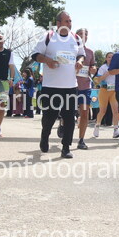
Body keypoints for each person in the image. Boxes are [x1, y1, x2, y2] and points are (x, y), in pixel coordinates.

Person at [31, 11, 86, 159]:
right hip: (51, 86)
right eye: (66, 21)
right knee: (49, 117)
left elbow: (81, 54)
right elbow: (35, 54)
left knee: (69, 118)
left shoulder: (76, 38)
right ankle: (45, 136)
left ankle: (66, 147)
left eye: (70, 21)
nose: (69, 24)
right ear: (58, 23)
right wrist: (47, 60)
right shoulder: (48, 37)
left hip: (70, 86)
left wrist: (80, 61)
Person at [75, 28, 97, 149]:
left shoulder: (90, 52)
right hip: (70, 86)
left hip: (85, 86)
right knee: (67, 112)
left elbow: (93, 66)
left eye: (86, 34)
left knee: (85, 112)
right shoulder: (70, 49)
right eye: (81, 34)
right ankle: (62, 123)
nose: (84, 36)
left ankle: (81, 140)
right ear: (76, 36)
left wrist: (93, 69)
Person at [93, 52, 119, 138]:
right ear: (106, 58)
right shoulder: (103, 67)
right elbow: (98, 80)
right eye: (109, 57)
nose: (111, 59)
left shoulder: (117, 67)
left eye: (112, 57)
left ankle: (116, 130)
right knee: (102, 111)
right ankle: (97, 125)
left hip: (114, 91)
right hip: (104, 90)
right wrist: (108, 73)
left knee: (115, 111)